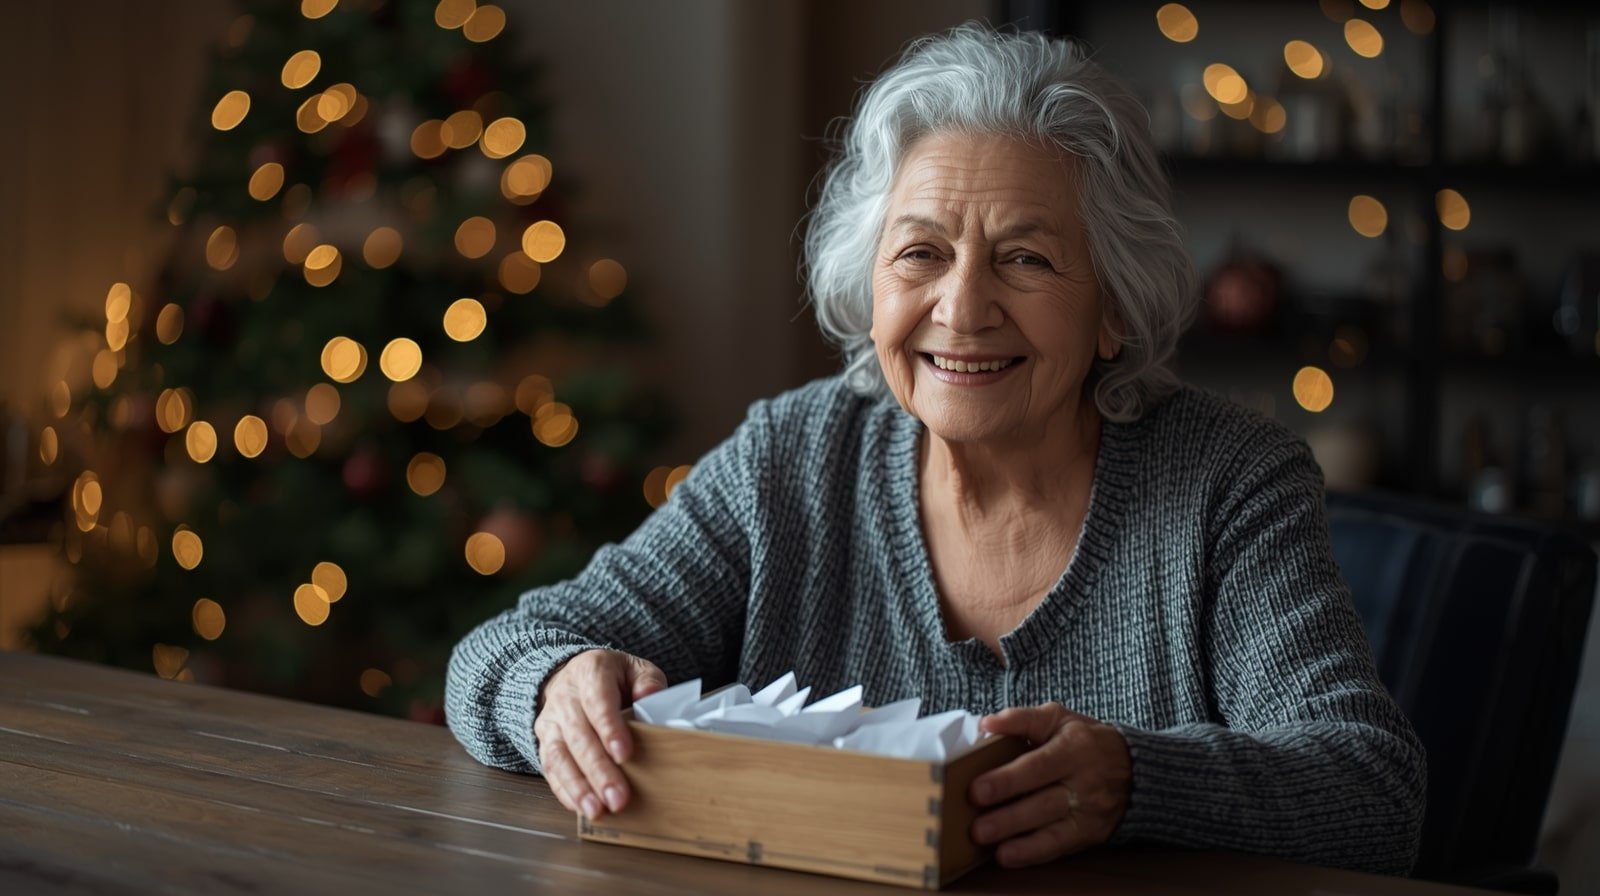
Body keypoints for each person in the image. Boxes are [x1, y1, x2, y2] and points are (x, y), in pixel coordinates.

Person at [446, 22, 1425, 875]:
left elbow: (1371, 789)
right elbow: (494, 653)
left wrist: (1138, 779)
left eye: (1025, 258)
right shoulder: (792, 456)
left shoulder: (1227, 480)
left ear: (1114, 306)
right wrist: (555, 688)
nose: (961, 308)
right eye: (919, 252)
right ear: (868, 283)